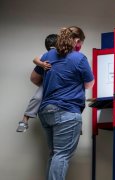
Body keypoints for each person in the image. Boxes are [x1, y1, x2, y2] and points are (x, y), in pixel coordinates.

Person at [30, 26, 94, 180]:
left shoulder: (48, 54)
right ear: (77, 41)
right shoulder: (79, 58)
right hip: (67, 111)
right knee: (62, 155)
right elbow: (89, 84)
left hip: (46, 111)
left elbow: (34, 78)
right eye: (80, 43)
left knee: (55, 154)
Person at [16, 34, 57, 132]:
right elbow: (35, 59)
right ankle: (25, 120)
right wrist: (42, 64)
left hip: (62, 85)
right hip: (48, 83)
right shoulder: (47, 55)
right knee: (37, 97)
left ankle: (77, 126)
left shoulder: (66, 55)